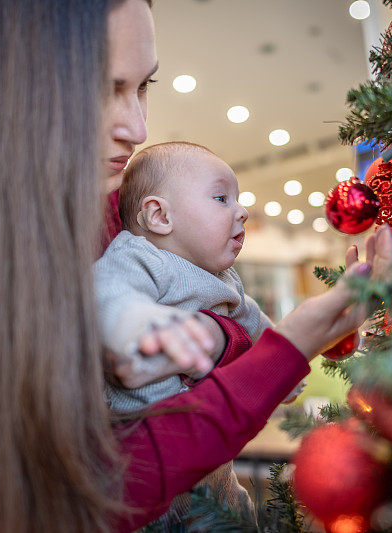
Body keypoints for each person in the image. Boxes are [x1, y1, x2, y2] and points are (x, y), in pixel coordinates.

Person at [0, 1, 392, 532]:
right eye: (101, 88)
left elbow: (191, 307)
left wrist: (229, 340)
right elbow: (80, 497)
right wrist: (286, 345)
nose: (137, 129)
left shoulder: (99, 205)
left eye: (143, 87)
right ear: (0, 85)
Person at [97, 141, 306, 528]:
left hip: (211, 466)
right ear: (159, 216)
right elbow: (109, 297)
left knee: (234, 512)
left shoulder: (224, 279)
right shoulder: (138, 256)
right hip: (143, 468)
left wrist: (288, 366)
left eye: (237, 199)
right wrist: (148, 326)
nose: (242, 210)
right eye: (221, 197)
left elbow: (255, 325)